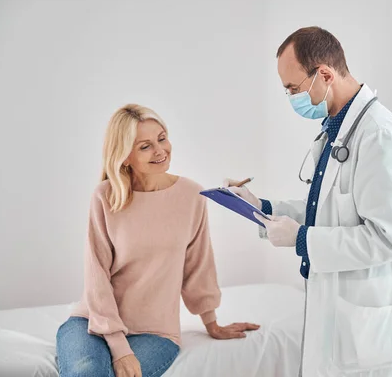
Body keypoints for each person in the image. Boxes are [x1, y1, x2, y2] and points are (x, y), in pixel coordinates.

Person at [225, 27, 392, 376]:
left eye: (293, 88)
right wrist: (261, 206)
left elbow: (386, 238)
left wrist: (301, 239)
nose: (290, 97)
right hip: (336, 305)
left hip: (367, 318)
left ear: (324, 74)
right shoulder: (336, 128)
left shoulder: (380, 135)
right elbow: (326, 211)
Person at [56, 104, 259, 377]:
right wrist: (119, 347)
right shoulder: (105, 196)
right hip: (92, 323)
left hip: (155, 332)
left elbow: (197, 265)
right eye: (145, 146)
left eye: (162, 138)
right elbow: (97, 276)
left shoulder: (191, 195)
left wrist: (212, 323)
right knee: (86, 372)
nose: (160, 150)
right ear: (125, 156)